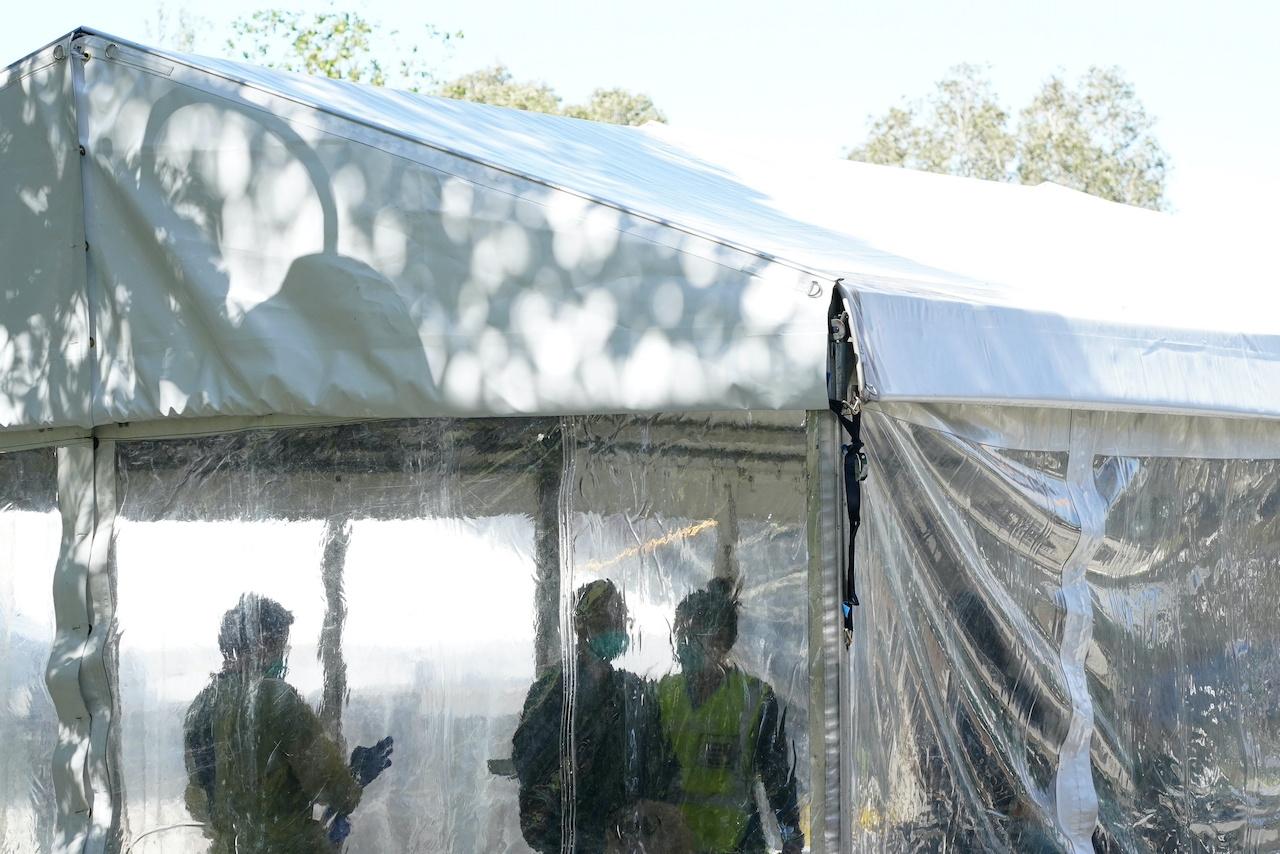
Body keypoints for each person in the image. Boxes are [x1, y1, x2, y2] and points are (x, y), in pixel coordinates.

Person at [183, 594, 393, 853]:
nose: (282, 659)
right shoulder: (275, 698)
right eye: (280, 648)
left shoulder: (201, 708)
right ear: (262, 644)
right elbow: (332, 788)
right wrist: (357, 775)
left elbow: (199, 802)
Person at [512, 579, 677, 853]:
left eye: (620, 618)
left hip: (623, 840)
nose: (616, 626)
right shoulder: (553, 690)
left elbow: (659, 763)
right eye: (605, 617)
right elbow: (528, 760)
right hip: (567, 839)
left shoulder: (632, 691)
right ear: (580, 626)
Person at [658, 578, 804, 854]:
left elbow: (777, 778)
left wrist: (791, 834)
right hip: (673, 843)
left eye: (690, 635)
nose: (681, 643)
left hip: (737, 842)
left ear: (720, 641)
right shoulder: (664, 695)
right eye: (679, 634)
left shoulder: (754, 698)